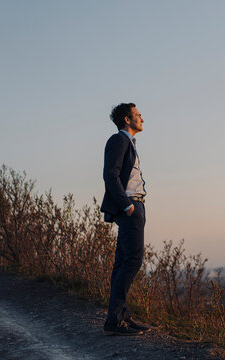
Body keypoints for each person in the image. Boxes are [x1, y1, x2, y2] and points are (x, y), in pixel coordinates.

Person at [100, 103, 150, 336]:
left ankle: (120, 317)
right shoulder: (118, 140)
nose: (142, 117)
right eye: (138, 114)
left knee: (122, 262)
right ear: (127, 120)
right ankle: (116, 320)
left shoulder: (128, 143)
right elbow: (110, 175)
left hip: (134, 205)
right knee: (132, 262)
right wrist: (128, 206)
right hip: (129, 207)